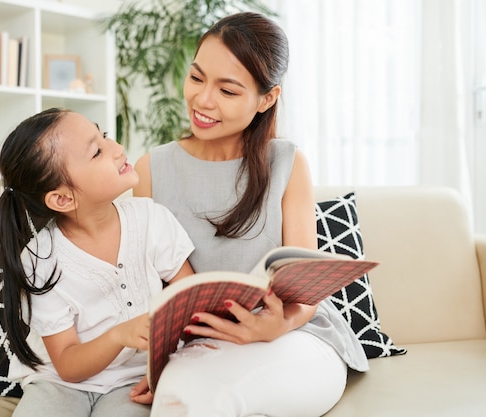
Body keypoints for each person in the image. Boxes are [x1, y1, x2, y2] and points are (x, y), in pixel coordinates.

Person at [132, 12, 369, 417]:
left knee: (221, 400)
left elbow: (304, 293)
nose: (203, 100)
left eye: (227, 90)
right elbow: (144, 287)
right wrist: (157, 361)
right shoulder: (150, 169)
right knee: (181, 402)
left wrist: (278, 325)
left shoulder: (287, 163)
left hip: (294, 335)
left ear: (267, 98)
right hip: (200, 344)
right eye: (196, 78)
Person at [0, 108, 195, 417]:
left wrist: (163, 366)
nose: (117, 149)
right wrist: (119, 334)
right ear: (62, 199)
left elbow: (189, 294)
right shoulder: (40, 260)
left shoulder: (151, 219)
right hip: (59, 384)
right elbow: (69, 366)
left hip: (131, 382)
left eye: (103, 135)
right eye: (97, 151)